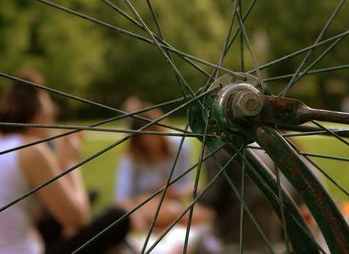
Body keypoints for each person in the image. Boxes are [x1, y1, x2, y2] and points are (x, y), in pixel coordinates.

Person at [0, 71, 138, 254]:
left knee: (91, 197)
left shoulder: (7, 145)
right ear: (39, 114)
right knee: (119, 218)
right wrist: (72, 164)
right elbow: (77, 217)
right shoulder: (31, 151)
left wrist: (61, 162)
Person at [114, 108, 213, 234]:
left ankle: (168, 230)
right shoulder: (131, 158)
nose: (150, 140)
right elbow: (122, 198)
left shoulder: (180, 147)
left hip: (174, 205)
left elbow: (189, 184)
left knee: (190, 212)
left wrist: (174, 192)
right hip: (143, 208)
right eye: (144, 136)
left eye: (154, 133)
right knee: (176, 212)